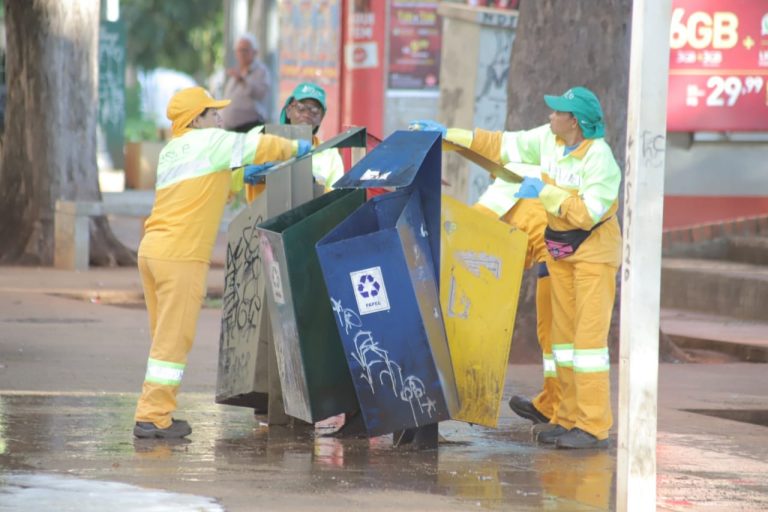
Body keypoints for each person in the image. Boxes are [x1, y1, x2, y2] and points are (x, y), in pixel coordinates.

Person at [411, 85, 621, 449]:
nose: (550, 116)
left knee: (587, 345)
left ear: (575, 122)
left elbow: (588, 214)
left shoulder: (599, 159)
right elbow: (500, 144)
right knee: (565, 341)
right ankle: (567, 418)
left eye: (558, 112)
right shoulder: (548, 141)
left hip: (592, 254)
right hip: (561, 252)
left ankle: (593, 426)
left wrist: (545, 191)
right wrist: (449, 136)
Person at [133, 86, 311, 439]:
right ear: (196, 120)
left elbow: (204, 183)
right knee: (172, 343)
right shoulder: (211, 141)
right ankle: (153, 417)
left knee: (163, 341)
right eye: (212, 113)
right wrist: (297, 147)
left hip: (153, 251)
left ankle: (155, 413)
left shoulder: (173, 150)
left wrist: (237, 177)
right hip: (181, 257)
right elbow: (256, 145)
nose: (219, 118)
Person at [408, 122, 560, 428]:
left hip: (560, 267)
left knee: (559, 343)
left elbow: (474, 222)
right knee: (554, 341)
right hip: (556, 263)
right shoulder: (531, 177)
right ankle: (552, 404)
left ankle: (560, 409)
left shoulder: (510, 183)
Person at [279, 82, 344, 191]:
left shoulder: (329, 154)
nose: (306, 114)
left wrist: (315, 187)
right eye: (300, 108)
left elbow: (337, 197)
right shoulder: (270, 146)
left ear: (321, 118)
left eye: (314, 111)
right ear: (289, 111)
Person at [221, 33, 271, 132]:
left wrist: (243, 81)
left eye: (245, 50)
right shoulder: (237, 71)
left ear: (255, 52)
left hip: (251, 127)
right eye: (239, 50)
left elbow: (261, 94)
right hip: (231, 128)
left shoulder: (261, 71)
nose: (241, 53)